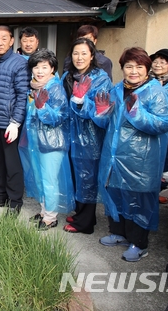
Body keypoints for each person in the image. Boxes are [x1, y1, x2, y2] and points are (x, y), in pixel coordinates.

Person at [93, 47, 168, 261]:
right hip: (115, 154)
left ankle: (139, 244)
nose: (133, 71)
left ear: (147, 69)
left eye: (139, 67)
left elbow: (165, 122)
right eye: (129, 66)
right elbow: (106, 122)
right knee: (117, 193)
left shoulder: (155, 91)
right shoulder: (118, 89)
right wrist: (100, 113)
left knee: (138, 199)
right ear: (122, 68)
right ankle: (119, 233)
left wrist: (138, 114)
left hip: (141, 157)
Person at [19, 49, 75, 230]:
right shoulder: (37, 87)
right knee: (40, 178)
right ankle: (44, 211)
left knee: (50, 180)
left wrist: (42, 108)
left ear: (52, 69)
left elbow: (58, 117)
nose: (39, 71)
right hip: (36, 141)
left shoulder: (55, 88)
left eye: (44, 67)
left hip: (51, 143)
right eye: (36, 67)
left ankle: (51, 217)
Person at [61, 38, 112, 234]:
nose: (79, 57)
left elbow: (103, 111)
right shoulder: (67, 75)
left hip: (90, 137)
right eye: (75, 53)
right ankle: (80, 212)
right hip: (70, 134)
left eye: (84, 53)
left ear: (92, 56)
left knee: (87, 178)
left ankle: (85, 223)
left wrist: (83, 102)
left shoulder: (101, 78)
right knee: (76, 177)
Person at [0, 25, 30, 212]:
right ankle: (0, 196)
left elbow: (22, 95)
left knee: (12, 164)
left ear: (11, 41)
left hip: (9, 124)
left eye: (4, 38)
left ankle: (15, 202)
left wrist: (16, 122)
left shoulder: (19, 63)